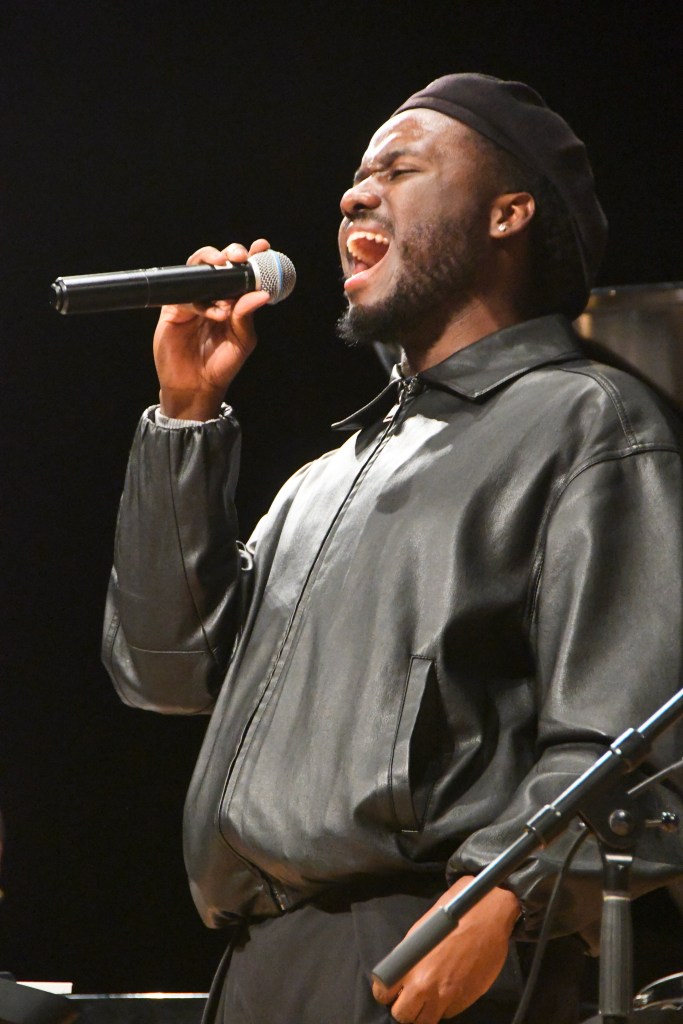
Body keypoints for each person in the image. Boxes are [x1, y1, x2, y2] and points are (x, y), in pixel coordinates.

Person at [102, 74, 683, 1023]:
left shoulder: (585, 421)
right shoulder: (326, 477)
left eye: (399, 170)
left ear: (507, 213)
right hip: (261, 961)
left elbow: (628, 735)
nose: (353, 197)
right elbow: (167, 671)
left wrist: (506, 892)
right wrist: (186, 412)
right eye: (355, 177)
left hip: (427, 950)